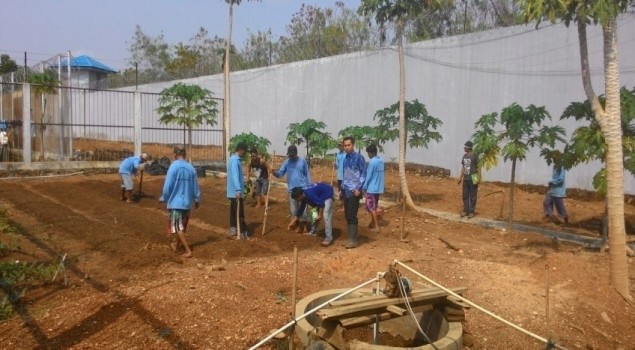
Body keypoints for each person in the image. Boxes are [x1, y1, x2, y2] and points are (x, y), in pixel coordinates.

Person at [159, 146, 200, 258]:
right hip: (187, 203)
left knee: (177, 227)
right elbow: (195, 186)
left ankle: (188, 251)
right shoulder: (191, 168)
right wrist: (197, 199)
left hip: (176, 203)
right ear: (185, 155)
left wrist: (164, 197)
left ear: (175, 155)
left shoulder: (173, 167)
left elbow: (167, 186)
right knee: (181, 225)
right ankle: (176, 245)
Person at [274, 145, 312, 233]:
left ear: (296, 153)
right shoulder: (286, 162)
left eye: (292, 154)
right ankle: (296, 226)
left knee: (304, 211)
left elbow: (308, 175)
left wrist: (309, 187)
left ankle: (305, 227)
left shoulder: (302, 161)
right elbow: (280, 174)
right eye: (289, 155)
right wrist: (274, 172)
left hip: (302, 190)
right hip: (292, 191)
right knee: (294, 210)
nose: (290, 156)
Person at [341, 136, 366, 248]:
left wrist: (359, 189)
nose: (347, 147)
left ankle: (353, 240)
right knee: (347, 214)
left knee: (352, 215)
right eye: (345, 145)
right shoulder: (345, 158)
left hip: (354, 191)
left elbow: (363, 174)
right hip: (346, 189)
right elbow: (346, 174)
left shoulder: (359, 158)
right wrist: (342, 188)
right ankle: (350, 238)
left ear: (353, 145)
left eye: (348, 145)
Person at [227, 142, 250, 239]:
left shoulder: (233, 159)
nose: (244, 154)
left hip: (233, 192)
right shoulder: (235, 160)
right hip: (236, 192)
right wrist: (238, 189)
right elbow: (235, 176)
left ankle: (233, 230)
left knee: (233, 211)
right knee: (239, 213)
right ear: (240, 149)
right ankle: (243, 233)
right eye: (244, 151)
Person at [363, 144, 384, 232]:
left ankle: (376, 226)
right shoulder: (381, 161)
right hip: (378, 188)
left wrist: (364, 186)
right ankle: (372, 223)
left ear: (372, 152)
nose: (368, 155)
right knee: (374, 207)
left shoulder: (372, 162)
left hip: (371, 188)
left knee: (371, 208)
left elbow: (369, 175)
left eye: (368, 153)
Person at [457, 140, 480, 218]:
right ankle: (466, 210)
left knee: (473, 195)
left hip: (474, 177)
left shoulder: (475, 155)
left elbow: (479, 167)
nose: (464, 148)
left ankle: (471, 211)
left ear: (469, 148)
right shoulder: (464, 156)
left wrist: (479, 177)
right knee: (465, 195)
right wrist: (460, 177)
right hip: (466, 178)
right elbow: (463, 167)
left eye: (465, 147)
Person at [334, 141, 346, 211]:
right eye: (339, 146)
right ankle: (343, 205)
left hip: (345, 176)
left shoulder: (346, 154)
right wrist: (335, 165)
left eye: (341, 145)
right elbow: (337, 166)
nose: (339, 147)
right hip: (339, 176)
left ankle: (344, 206)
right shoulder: (338, 155)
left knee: (344, 191)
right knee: (340, 190)